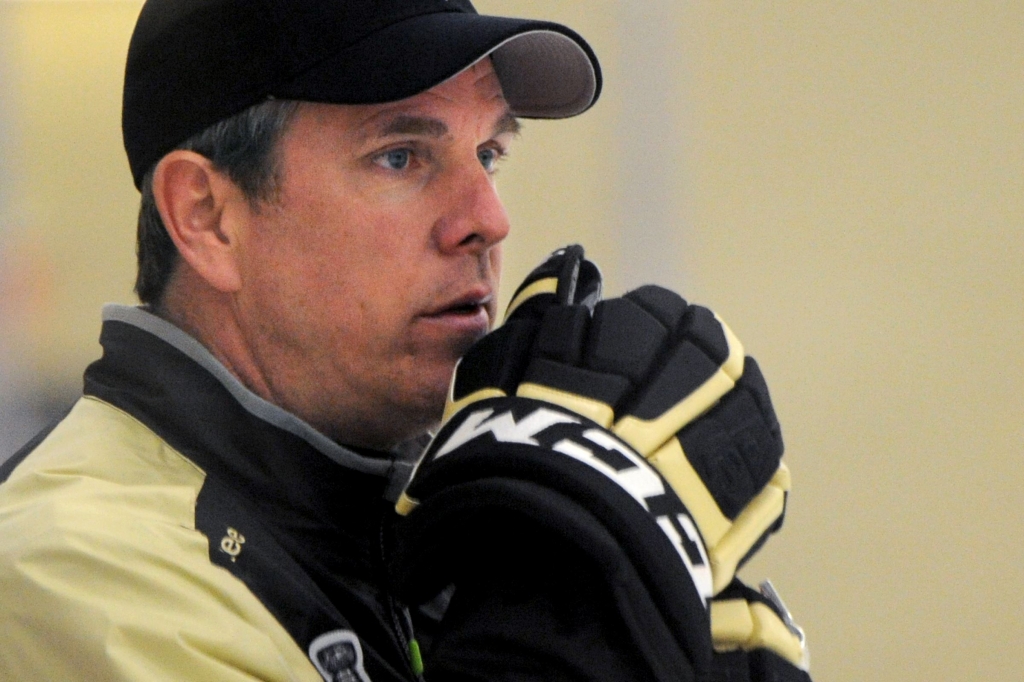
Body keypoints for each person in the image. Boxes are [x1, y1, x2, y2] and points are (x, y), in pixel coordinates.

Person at [0, 1, 812, 680]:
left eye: (489, 152)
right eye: (400, 156)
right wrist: (568, 609)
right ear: (208, 217)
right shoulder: (68, 567)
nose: (488, 220)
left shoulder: (413, 536)